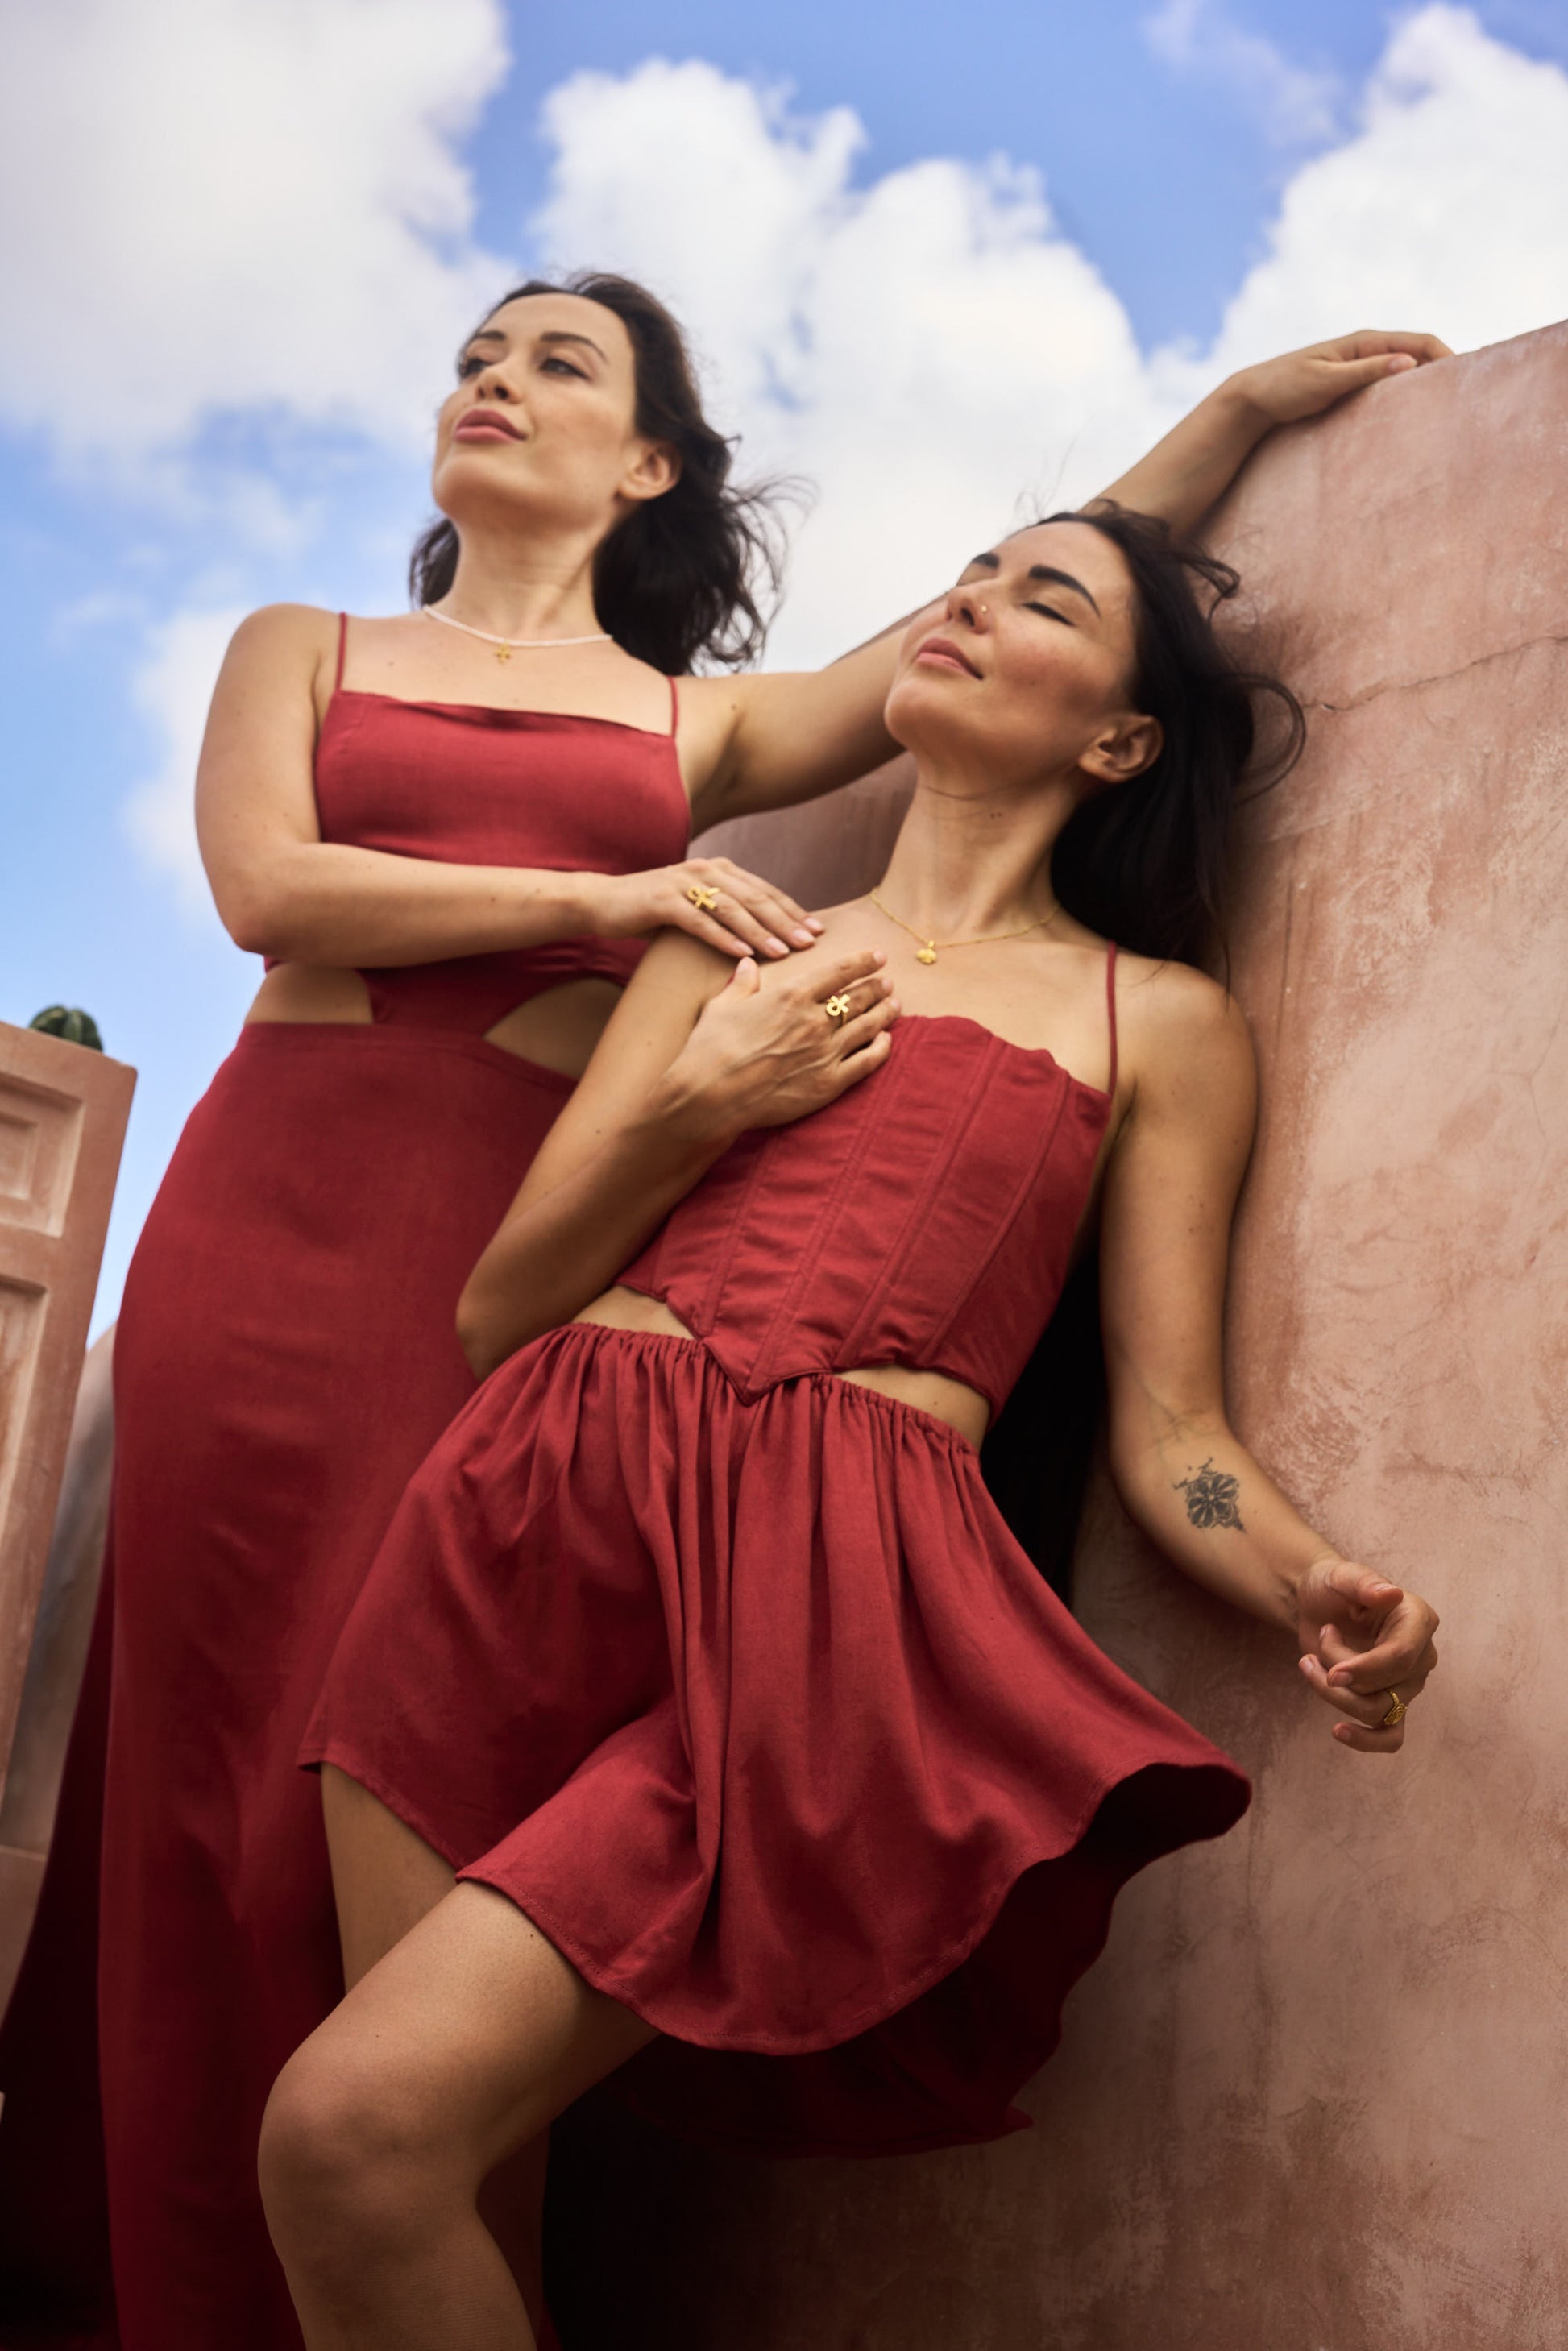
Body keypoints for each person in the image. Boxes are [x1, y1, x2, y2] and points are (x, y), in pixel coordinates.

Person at [0, 264, 1446, 2349]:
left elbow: (1177, 1439)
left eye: (554, 360)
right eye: (472, 355)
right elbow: (424, 1158)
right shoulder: (646, 881)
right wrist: (658, 1014)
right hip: (420, 1383)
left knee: (403, 2108)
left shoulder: (1061, 961)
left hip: (706, 1476)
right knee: (295, 1972)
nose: (491, 380)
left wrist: (1306, 1574)